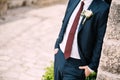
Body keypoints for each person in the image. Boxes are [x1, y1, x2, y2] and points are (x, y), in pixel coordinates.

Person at [54, 0, 110, 80]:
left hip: (77, 66)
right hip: (60, 57)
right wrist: (57, 45)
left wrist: (92, 67)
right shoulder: (73, 1)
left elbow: (100, 40)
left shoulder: (103, 8)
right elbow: (65, 22)